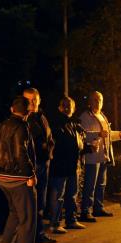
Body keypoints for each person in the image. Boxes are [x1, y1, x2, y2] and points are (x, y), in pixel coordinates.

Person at [0, 96, 45, 243]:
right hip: (19, 178)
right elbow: (22, 153)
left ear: (12, 109)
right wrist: (31, 174)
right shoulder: (22, 126)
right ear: (28, 111)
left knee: (14, 212)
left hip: (2, 177)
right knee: (28, 219)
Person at [79, 91, 121, 221]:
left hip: (103, 156)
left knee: (101, 183)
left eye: (100, 99)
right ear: (89, 102)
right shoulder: (85, 116)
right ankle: (86, 211)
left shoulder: (102, 116)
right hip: (93, 156)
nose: (98, 102)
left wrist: (120, 135)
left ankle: (98, 208)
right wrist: (98, 134)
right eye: (95, 99)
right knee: (90, 184)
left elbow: (108, 134)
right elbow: (82, 135)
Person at [47, 97, 87, 234]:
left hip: (73, 165)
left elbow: (77, 145)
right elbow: (61, 144)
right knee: (58, 195)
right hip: (60, 165)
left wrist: (87, 148)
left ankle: (71, 220)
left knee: (72, 194)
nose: (67, 107)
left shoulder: (74, 124)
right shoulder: (57, 123)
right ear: (59, 107)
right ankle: (55, 223)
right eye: (64, 105)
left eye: (69, 105)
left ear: (74, 108)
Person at [24, 88, 56, 243]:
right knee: (31, 202)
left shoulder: (42, 117)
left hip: (44, 163)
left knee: (41, 201)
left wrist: (50, 149)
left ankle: (39, 234)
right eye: (29, 100)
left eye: (34, 99)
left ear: (39, 100)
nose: (32, 103)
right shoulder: (24, 119)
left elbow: (50, 137)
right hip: (32, 166)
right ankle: (29, 238)